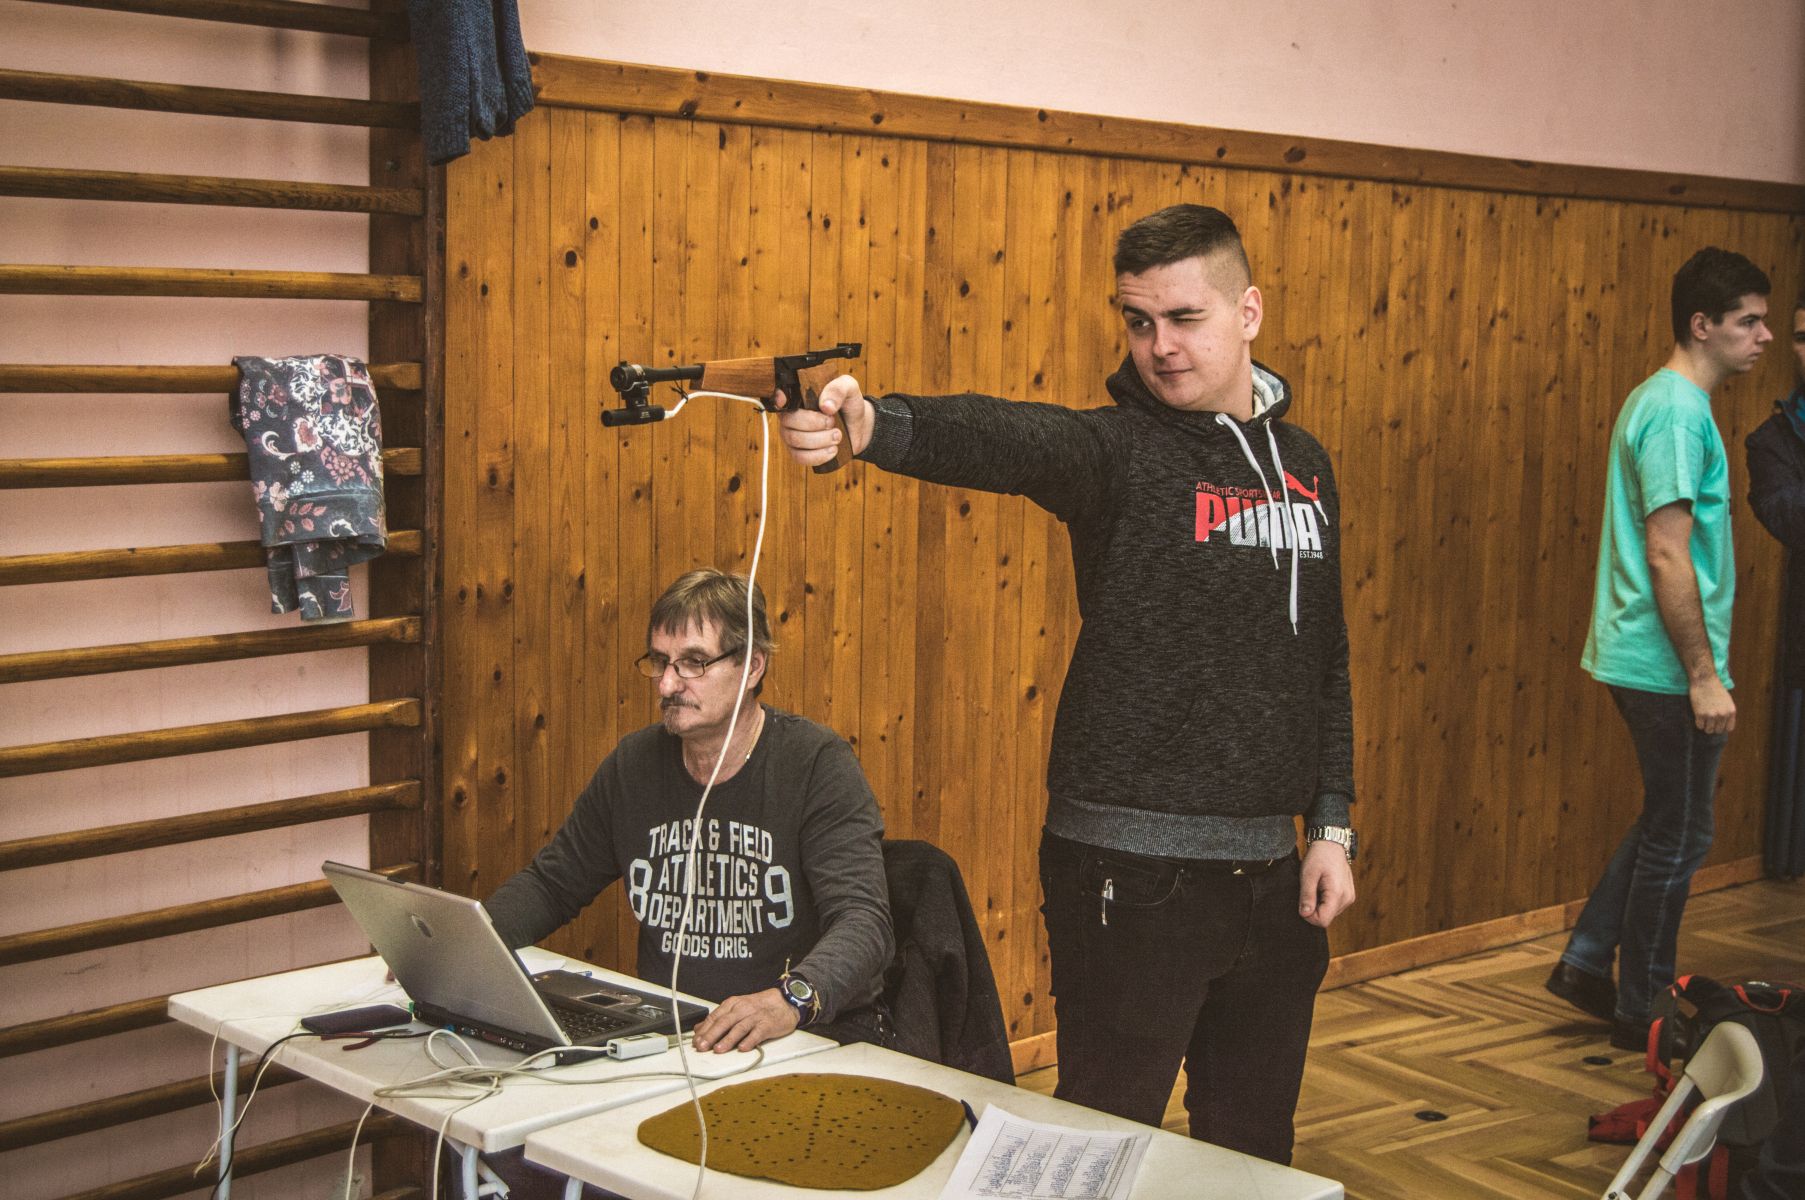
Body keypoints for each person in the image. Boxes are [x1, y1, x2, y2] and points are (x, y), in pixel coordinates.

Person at [775, 203, 1356, 1165]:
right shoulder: (1116, 452)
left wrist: (1330, 823)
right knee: (1099, 1143)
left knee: (1252, 1154)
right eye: (1138, 321)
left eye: (1185, 318)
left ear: (1248, 311)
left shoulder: (1305, 466)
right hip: (1126, 875)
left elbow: (1323, 655)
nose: (1159, 346)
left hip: (1271, 874)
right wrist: (872, 425)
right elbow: (1009, 438)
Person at [485, 568, 894, 1054]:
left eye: (694, 663)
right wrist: (469, 948)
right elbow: (552, 885)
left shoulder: (815, 764)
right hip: (674, 1038)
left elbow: (863, 921)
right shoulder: (634, 765)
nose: (666, 684)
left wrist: (790, 999)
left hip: (800, 1037)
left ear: (752, 667)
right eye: (660, 662)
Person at [1549, 248, 1773, 1051]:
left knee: (1666, 822)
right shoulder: (1676, 412)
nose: (1764, 336)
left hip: (1651, 656)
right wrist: (1703, 677)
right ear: (1701, 325)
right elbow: (1667, 551)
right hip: (1662, 663)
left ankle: (1585, 962)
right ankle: (1642, 1012)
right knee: (1681, 837)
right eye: (1748, 321)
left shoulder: (1667, 401)